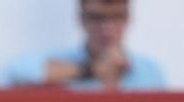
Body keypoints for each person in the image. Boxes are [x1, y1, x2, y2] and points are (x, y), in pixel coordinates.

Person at [9, 0, 165, 93]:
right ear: (82, 19)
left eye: (116, 17)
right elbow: (20, 72)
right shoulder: (63, 60)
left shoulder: (149, 70)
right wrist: (92, 70)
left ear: (127, 19)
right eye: (97, 18)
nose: (107, 28)